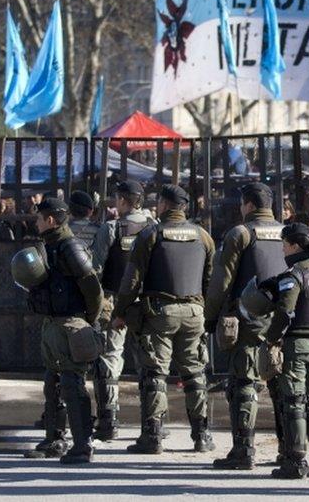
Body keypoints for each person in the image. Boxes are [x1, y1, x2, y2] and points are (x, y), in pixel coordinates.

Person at [111, 184, 216, 454]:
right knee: (194, 373)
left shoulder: (151, 234)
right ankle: (202, 435)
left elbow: (131, 280)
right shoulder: (203, 236)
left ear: (165, 205)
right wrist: (205, 310)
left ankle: (153, 437)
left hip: (160, 313)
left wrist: (120, 312)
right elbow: (210, 280)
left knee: (155, 373)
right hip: (194, 313)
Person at [205, 182, 288, 470]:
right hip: (282, 320)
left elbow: (221, 281)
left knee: (243, 383)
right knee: (281, 384)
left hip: (248, 319)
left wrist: (211, 315)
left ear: (249, 205)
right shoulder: (288, 232)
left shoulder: (241, 233)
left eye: (242, 204)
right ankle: (288, 450)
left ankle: (243, 450)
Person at [20, 197, 104, 464]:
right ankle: (54, 439)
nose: (36, 221)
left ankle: (82, 446)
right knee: (52, 383)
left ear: (51, 220)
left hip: (70, 324)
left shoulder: (69, 246)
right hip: (55, 325)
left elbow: (92, 286)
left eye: (40, 217)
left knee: (72, 383)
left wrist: (88, 320)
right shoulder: (52, 246)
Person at [261, 223, 309, 479]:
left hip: (297, 347)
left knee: (294, 403)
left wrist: (271, 339)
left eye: (284, 244)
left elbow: (285, 312)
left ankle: (295, 461)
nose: (282, 249)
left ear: (294, 245)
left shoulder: (293, 275)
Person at [89, 180, 155, 441]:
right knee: (148, 361)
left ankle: (108, 421)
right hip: (146, 304)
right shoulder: (154, 228)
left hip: (114, 302)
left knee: (110, 358)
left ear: (124, 201)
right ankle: (151, 424)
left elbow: (95, 268)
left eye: (117, 198)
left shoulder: (112, 228)